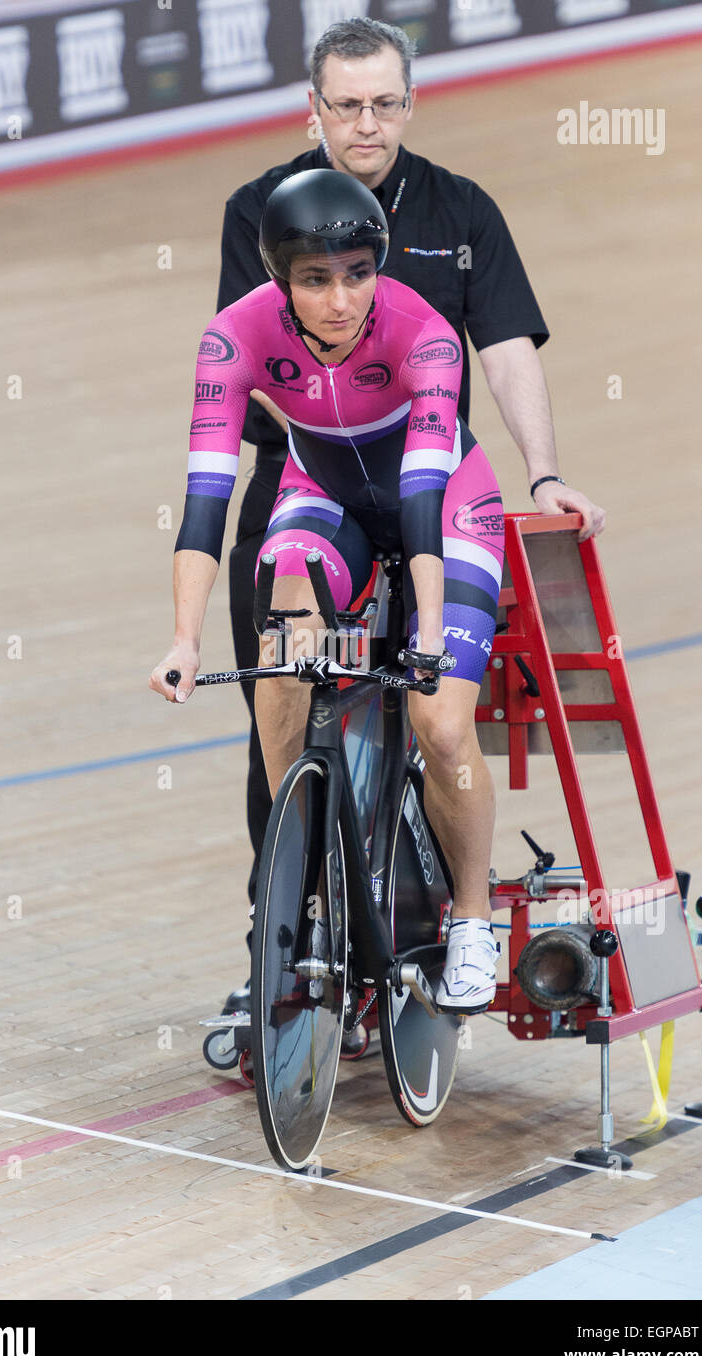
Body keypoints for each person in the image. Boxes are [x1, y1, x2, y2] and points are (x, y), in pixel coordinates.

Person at [218, 18, 605, 1008]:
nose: (366, 122)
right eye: (344, 104)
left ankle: (440, 919)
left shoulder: (459, 210)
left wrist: (544, 474)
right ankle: (284, 953)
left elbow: (507, 348)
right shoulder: (258, 208)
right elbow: (243, 361)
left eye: (384, 101)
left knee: (439, 724)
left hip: (435, 497)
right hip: (306, 494)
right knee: (286, 706)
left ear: (409, 102)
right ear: (312, 108)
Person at [151, 167, 516, 1012]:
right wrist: (184, 639)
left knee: (441, 722)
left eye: (357, 273)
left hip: (445, 503)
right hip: (323, 497)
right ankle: (301, 848)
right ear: (279, 279)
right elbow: (205, 503)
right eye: (316, 280)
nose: (341, 299)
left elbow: (421, 498)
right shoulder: (230, 339)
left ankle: (468, 918)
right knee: (279, 586)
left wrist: (427, 634)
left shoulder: (422, 333)